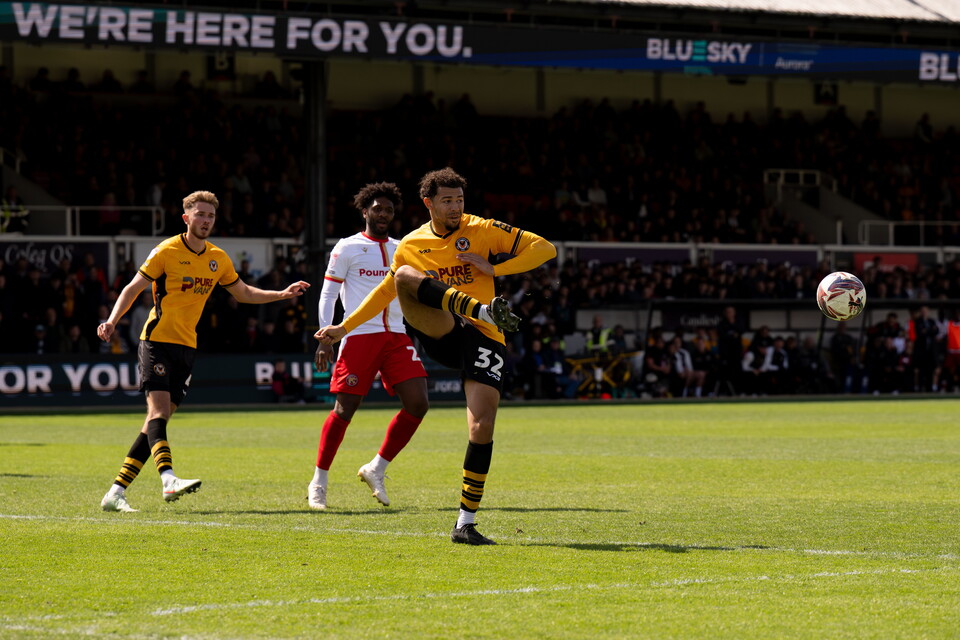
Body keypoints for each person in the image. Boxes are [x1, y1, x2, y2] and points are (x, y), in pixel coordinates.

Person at [318, 167, 555, 545]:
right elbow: (384, 292)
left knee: (482, 427)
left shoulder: (481, 228)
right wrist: (342, 329)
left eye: (460, 200)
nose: (456, 208)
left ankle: (465, 523)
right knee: (403, 275)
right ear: (428, 203)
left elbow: (545, 248)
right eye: (447, 201)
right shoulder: (411, 243)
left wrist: (496, 267)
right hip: (442, 329)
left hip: (484, 339)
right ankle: (482, 309)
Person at [97, 190, 310, 513]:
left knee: (156, 421)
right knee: (158, 414)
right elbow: (133, 288)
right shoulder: (166, 251)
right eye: (200, 214)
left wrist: (281, 294)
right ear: (186, 218)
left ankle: (115, 492)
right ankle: (168, 478)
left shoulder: (218, 258)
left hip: (187, 347)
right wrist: (112, 321)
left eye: (210, 216)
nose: (205, 220)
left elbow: (244, 293)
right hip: (156, 341)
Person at [309, 182, 429, 511]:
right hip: (359, 336)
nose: (383, 214)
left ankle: (376, 468)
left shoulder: (403, 248)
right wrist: (325, 336)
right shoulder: (347, 248)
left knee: (418, 403)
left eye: (388, 210)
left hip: (397, 336)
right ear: (365, 210)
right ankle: (319, 481)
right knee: (345, 409)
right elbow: (328, 294)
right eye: (377, 208)